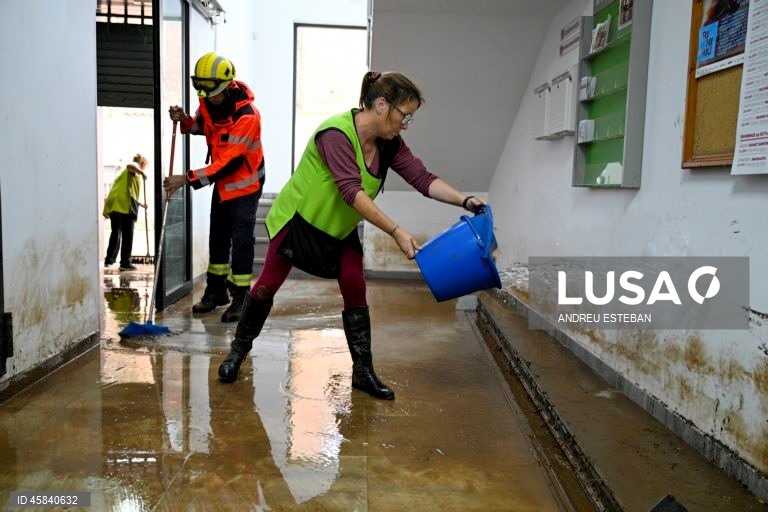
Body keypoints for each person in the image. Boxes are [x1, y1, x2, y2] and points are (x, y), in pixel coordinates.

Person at [216, 71, 485, 400]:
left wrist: (465, 200)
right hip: (298, 221)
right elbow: (351, 192)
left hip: (338, 228)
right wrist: (396, 231)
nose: (406, 124)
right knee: (268, 285)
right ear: (382, 105)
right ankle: (237, 353)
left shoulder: (389, 145)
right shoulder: (336, 134)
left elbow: (422, 178)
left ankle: (363, 372)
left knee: (355, 287)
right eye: (405, 115)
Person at [164, 51, 266, 323]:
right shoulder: (209, 100)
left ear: (227, 86)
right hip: (221, 186)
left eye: (213, 94)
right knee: (217, 238)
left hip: (244, 185)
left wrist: (184, 179)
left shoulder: (248, 116)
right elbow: (203, 126)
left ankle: (241, 298)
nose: (208, 98)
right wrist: (185, 120)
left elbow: (229, 163)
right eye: (204, 93)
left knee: (241, 242)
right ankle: (216, 292)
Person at [103, 154, 148, 271]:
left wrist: (141, 204)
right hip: (124, 207)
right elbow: (130, 166)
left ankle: (109, 260)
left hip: (115, 205)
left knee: (116, 233)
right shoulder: (134, 168)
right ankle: (125, 262)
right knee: (128, 235)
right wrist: (142, 173)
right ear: (142, 164)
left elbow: (128, 193)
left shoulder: (126, 175)